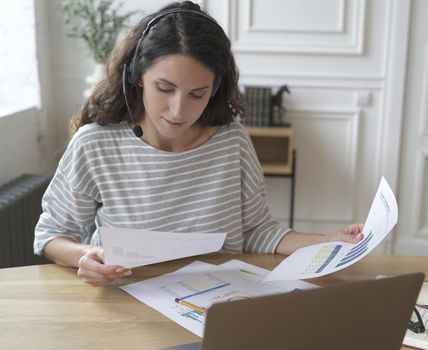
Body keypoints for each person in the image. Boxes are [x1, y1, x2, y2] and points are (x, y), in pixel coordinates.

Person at [34, 1, 363, 286]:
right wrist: (87, 256)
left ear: (215, 89)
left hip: (216, 304)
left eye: (197, 94)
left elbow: (257, 231)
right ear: (136, 76)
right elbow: (50, 235)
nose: (179, 111)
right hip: (127, 305)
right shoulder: (96, 145)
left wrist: (324, 241)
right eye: (164, 88)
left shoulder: (231, 142)